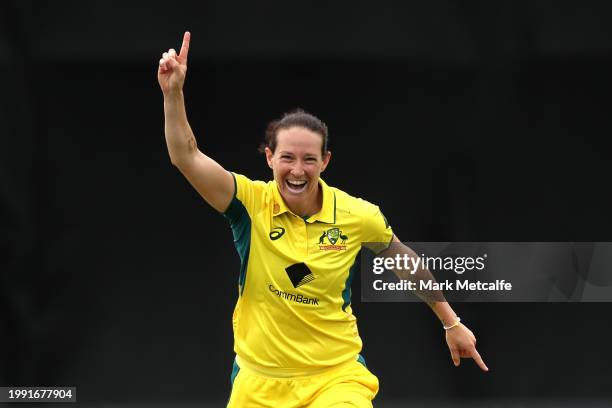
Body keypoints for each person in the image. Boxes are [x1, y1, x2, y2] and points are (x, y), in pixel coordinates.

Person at [158, 32, 488, 408]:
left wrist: (451, 322)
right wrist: (173, 94)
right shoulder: (248, 202)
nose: (297, 170)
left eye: (309, 159)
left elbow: (403, 261)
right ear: (269, 158)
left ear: (325, 161)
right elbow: (186, 156)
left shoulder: (357, 215)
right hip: (259, 382)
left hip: (335, 377)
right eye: (287, 158)